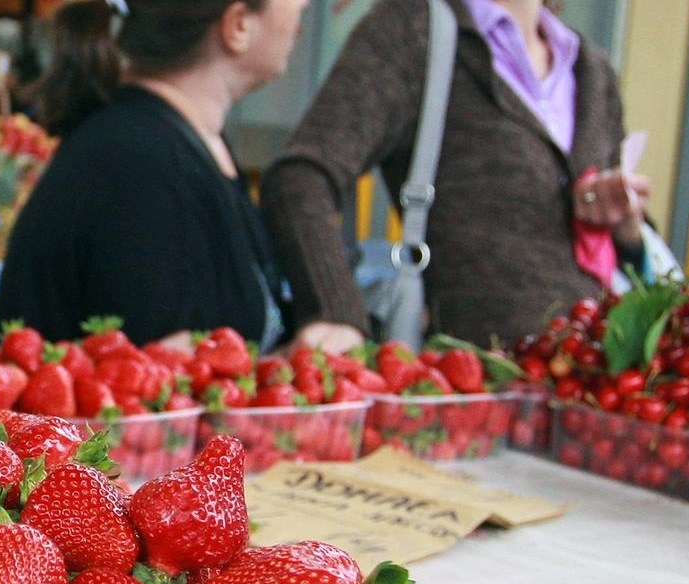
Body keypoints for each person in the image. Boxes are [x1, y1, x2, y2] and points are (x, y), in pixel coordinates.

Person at [260, 0, 650, 353]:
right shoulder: (414, 31)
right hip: (470, 396)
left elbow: (626, 256)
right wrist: (338, 312)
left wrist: (628, 228)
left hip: (589, 394)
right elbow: (301, 178)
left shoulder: (591, 71)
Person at [0, 0, 310, 351]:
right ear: (237, 26)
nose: (303, 6)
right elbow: (161, 381)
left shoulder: (182, 143)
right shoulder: (141, 167)